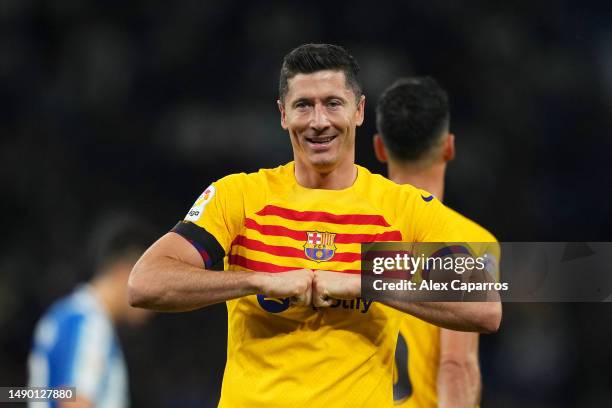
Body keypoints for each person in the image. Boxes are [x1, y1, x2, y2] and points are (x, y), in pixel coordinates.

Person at [129, 44, 501, 407]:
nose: (319, 122)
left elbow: (484, 307)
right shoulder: (239, 196)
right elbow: (145, 282)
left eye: (332, 103)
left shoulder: (401, 207)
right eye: (303, 105)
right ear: (283, 114)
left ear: (359, 110)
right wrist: (258, 280)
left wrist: (360, 284)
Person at [374, 76, 501, 407]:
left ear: (379, 148)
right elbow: (456, 364)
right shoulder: (467, 242)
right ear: (449, 146)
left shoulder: (350, 229)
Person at [28, 214, 154, 408]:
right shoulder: (91, 324)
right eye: (152, 284)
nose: (156, 298)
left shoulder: (68, 314)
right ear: (124, 273)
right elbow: (76, 402)